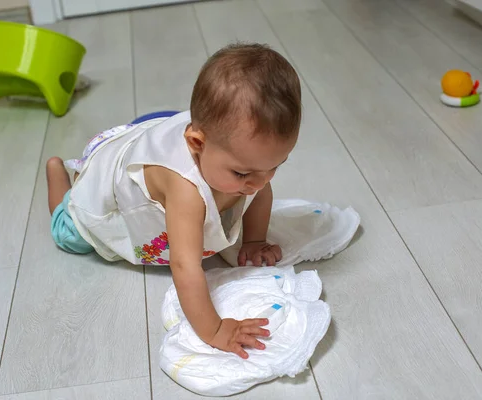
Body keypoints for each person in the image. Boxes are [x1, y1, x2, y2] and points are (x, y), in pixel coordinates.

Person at [46, 43, 302, 359]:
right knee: (69, 234)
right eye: (242, 173)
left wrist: (254, 241)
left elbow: (260, 193)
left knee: (249, 180)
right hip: (107, 185)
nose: (262, 182)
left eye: (275, 166)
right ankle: (60, 174)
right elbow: (185, 265)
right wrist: (216, 330)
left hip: (155, 131)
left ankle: (146, 135)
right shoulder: (185, 190)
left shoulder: (243, 163)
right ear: (197, 143)